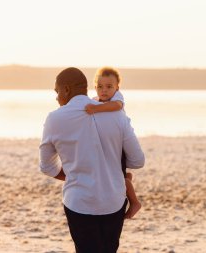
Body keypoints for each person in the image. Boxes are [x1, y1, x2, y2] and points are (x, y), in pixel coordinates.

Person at [39, 67, 145, 253]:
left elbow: (47, 166)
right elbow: (137, 161)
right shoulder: (116, 113)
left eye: (57, 92)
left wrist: (74, 175)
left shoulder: (55, 119)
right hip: (113, 201)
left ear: (66, 90)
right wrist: (107, 168)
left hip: (79, 202)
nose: (56, 98)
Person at [85, 67, 141, 219]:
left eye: (109, 87)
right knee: (121, 174)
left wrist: (95, 109)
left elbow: (116, 106)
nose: (104, 90)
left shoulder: (117, 99)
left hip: (119, 145)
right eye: (100, 87)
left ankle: (135, 202)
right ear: (95, 87)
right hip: (109, 145)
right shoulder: (95, 100)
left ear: (117, 87)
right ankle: (128, 178)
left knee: (121, 177)